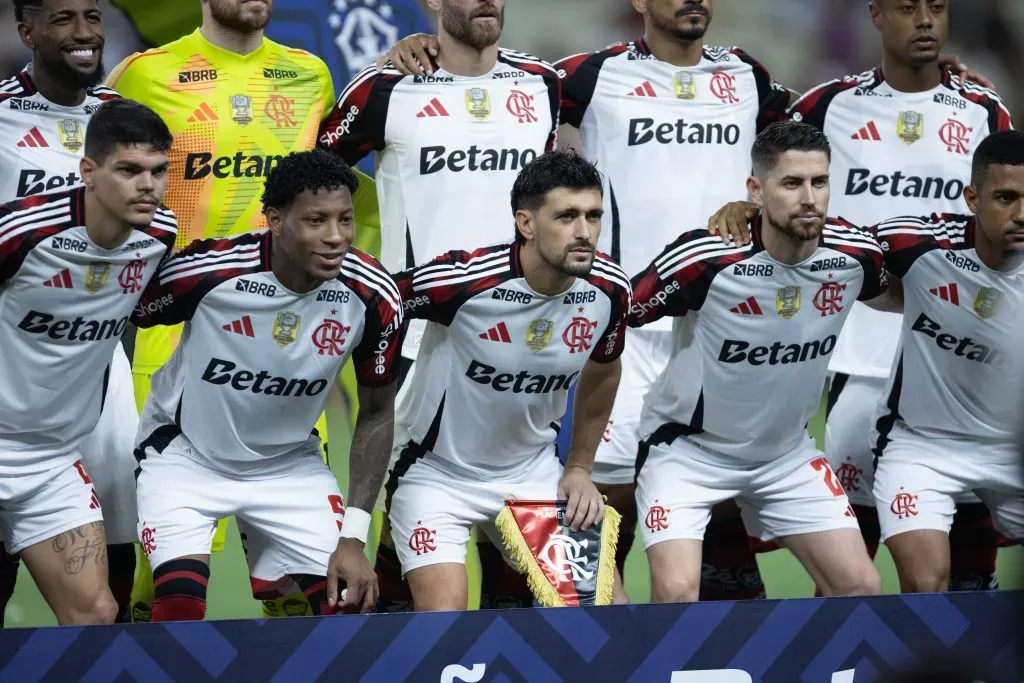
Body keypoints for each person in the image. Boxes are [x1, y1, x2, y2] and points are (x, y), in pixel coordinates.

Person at [379, 0, 987, 603]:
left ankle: (711, 626)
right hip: (632, 320)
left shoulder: (746, 75)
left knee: (720, 473)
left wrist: (931, 85)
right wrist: (420, 53)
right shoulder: (591, 74)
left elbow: (813, 134)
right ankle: (593, 617)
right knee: (606, 496)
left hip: (722, 321)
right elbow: (494, 87)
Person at [105, 0, 379, 620]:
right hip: (176, 331)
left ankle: (299, 655)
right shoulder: (145, 74)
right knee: (160, 570)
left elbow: (334, 178)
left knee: (297, 582)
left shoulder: (309, 74)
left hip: (290, 338)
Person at [319, 0, 561, 612]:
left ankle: (499, 652)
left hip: (522, 341)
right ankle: (391, 647)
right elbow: (313, 180)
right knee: (406, 510)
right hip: (418, 340)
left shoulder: (543, 83)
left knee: (513, 530)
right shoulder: (384, 89)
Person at [780, 0, 1012, 592]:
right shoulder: (828, 105)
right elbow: (775, 184)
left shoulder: (984, 109)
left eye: (937, 7)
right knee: (849, 545)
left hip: (957, 346)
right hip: (860, 347)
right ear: (877, 15)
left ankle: (962, 639)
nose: (925, 20)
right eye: (908, 8)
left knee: (965, 536)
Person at [131, 149, 401, 621]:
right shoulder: (209, 271)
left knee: (348, 605)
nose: (336, 236)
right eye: (316, 220)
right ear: (275, 220)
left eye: (344, 220)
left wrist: (354, 537)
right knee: (178, 608)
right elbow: (128, 306)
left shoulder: (372, 295)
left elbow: (377, 412)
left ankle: (283, 590)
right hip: (185, 456)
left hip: (289, 466)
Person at [630, 121, 888, 602]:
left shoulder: (857, 255)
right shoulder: (705, 257)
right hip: (688, 452)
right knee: (677, 592)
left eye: (819, 182)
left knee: (861, 587)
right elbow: (620, 311)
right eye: (791, 183)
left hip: (785, 454)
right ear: (756, 189)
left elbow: (910, 288)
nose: (809, 198)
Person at [386, 150, 630, 610]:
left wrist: (579, 468)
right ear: (526, 223)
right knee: (444, 619)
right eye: (567, 216)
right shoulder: (463, 281)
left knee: (608, 613)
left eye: (593, 215)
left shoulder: (609, 289)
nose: (584, 231)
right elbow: (375, 301)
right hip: (436, 474)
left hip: (532, 472)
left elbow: (605, 371)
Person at [0, 98, 176, 625]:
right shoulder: (21, 232)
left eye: (158, 171)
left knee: (97, 615)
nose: (147, 185)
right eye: (129, 170)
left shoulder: (157, 237)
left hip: (50, 459)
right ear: (88, 171)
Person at [0, 0, 137, 624]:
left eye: (93, 17)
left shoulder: (120, 120)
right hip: (14, 359)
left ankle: (115, 652)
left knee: (116, 533)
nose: (84, 33)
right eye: (63, 20)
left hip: (96, 356)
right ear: (26, 32)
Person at [870, 130, 1024, 591]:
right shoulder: (919, 244)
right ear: (973, 199)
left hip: (1012, 449)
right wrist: (753, 217)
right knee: (926, 586)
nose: (1021, 214)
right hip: (922, 447)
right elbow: (824, 240)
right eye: (1006, 197)